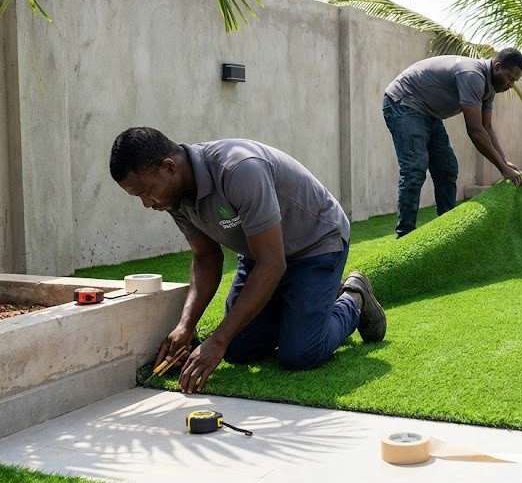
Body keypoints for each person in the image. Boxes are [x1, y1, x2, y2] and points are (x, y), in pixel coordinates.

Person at [109, 127, 386, 393]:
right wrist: (186, 326)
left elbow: (273, 265)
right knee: (238, 348)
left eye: (145, 192)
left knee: (300, 353)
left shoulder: (239, 170)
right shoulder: (173, 196)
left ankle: (354, 298)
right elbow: (206, 257)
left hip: (315, 244)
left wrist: (217, 340)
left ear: (169, 167)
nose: (146, 203)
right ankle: (296, 309)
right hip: (262, 255)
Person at [383, 48, 522, 237]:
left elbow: (487, 127)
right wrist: (501, 168)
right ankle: (405, 234)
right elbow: (475, 130)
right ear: (498, 67)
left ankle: (447, 230)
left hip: (429, 113)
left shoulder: (490, 87)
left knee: (447, 168)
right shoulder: (473, 75)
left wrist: (504, 160)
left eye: (515, 81)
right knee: (414, 168)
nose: (511, 85)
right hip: (404, 102)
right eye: (510, 78)